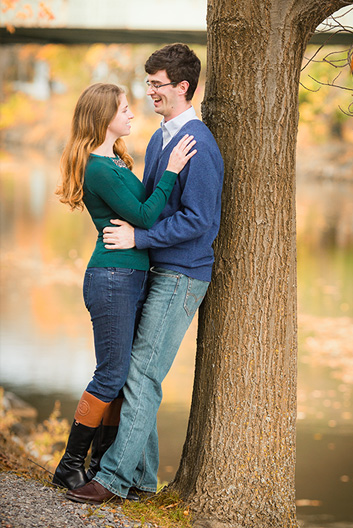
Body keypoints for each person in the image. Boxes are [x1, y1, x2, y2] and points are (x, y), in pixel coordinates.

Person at [66, 44, 224, 503]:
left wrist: (138, 241)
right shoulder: (159, 138)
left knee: (141, 376)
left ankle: (113, 479)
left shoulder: (199, 143)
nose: (150, 91)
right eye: (149, 83)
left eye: (157, 85)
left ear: (183, 87)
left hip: (182, 274)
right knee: (139, 375)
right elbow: (146, 209)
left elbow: (201, 221)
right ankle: (140, 481)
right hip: (156, 270)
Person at [53, 83, 196, 490]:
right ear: (104, 118)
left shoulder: (114, 161)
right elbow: (146, 217)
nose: (132, 113)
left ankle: (100, 461)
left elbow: (142, 215)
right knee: (111, 375)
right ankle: (71, 463)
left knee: (121, 376)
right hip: (112, 278)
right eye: (124, 108)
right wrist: (171, 172)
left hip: (128, 277)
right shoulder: (97, 168)